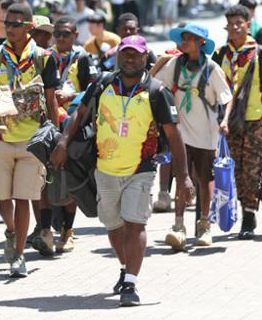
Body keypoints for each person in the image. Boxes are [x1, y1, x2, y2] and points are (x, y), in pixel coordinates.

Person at [50, 35, 194, 307]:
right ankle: (126, 266)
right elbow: (78, 115)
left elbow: (175, 137)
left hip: (141, 168)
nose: (129, 58)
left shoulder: (157, 91)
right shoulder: (102, 84)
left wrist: (184, 176)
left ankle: (131, 282)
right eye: (125, 53)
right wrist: (62, 142)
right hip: (104, 168)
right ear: (118, 56)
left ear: (144, 58)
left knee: (135, 223)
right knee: (113, 225)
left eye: (135, 54)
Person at [0, 2, 59, 276]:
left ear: (29, 27)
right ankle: (11, 230)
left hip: (32, 140)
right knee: (1, 197)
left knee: (22, 197)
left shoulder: (43, 57)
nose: (10, 28)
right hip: (0, 137)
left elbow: (51, 100)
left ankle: (18, 255)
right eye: (7, 23)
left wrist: (54, 137)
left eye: (16, 24)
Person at [213, 5, 262, 239]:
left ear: (248, 25)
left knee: (253, 170)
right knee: (236, 169)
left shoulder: (260, 53)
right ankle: (242, 206)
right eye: (231, 23)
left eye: (239, 23)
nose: (235, 27)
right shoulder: (220, 54)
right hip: (229, 122)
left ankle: (249, 216)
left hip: (256, 120)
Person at [155, 24, 232, 250]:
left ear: (201, 43)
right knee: (182, 177)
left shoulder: (211, 68)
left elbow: (227, 98)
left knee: (204, 179)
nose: (185, 42)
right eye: (183, 38)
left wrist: (225, 120)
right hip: (181, 135)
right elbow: (155, 85)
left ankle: (205, 225)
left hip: (207, 134)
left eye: (190, 38)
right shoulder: (175, 65)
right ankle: (178, 226)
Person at [33, 16, 98, 255]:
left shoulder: (82, 58)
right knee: (44, 177)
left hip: (72, 127)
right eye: (57, 34)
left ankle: (67, 232)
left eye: (66, 34)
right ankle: (46, 230)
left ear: (75, 35)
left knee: (70, 176)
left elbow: (94, 89)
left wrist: (72, 96)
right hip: (48, 125)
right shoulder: (45, 57)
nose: (60, 38)